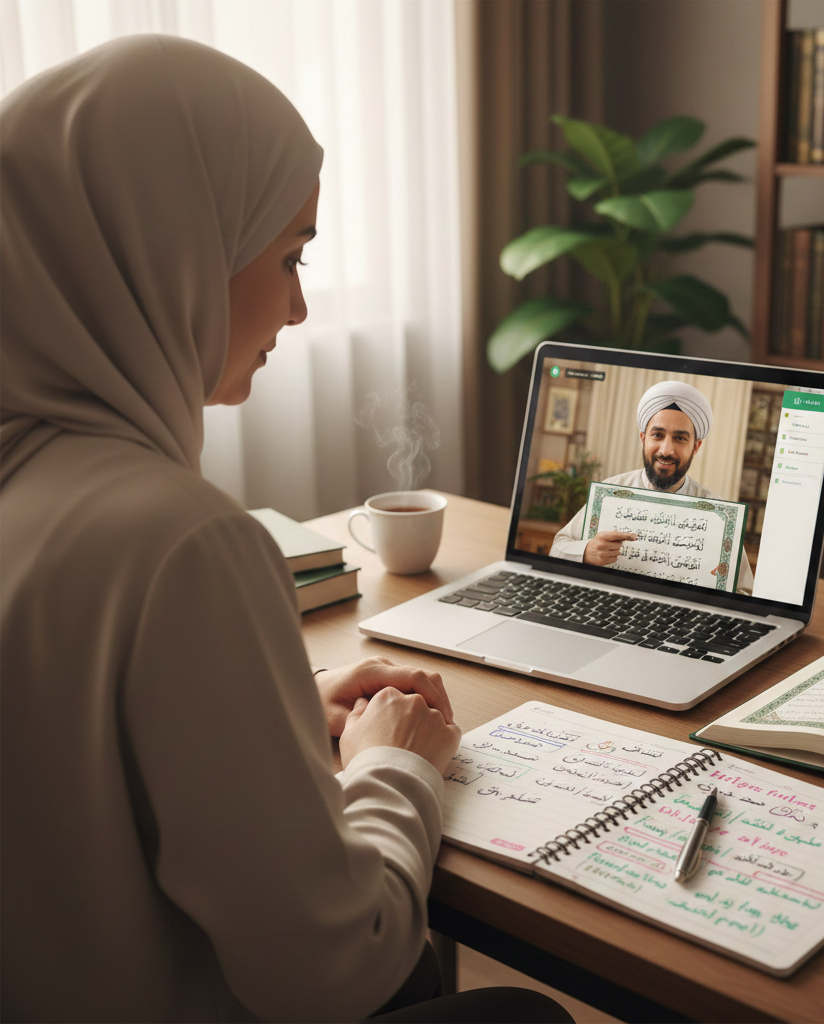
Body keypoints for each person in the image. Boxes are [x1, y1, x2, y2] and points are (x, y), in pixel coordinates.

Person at [0, 36, 571, 1024]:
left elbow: (60, 768)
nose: (300, 308)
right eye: (289, 256)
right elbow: (335, 969)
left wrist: (280, 715)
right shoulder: (179, 540)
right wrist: (397, 764)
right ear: (173, 250)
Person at [549, 380, 754, 595]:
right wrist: (585, 552)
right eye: (657, 435)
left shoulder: (719, 516)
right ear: (643, 438)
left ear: (696, 447)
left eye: (680, 438)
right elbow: (557, 548)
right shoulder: (611, 492)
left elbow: (743, 591)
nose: (666, 450)